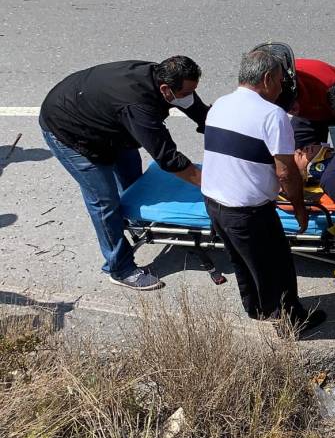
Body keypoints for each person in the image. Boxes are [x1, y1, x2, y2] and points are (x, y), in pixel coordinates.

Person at [39, 56, 208, 291]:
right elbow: (168, 158)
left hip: (106, 119)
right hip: (70, 130)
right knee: (104, 202)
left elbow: (199, 111)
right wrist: (210, 186)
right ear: (165, 89)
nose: (190, 95)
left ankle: (139, 222)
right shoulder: (138, 106)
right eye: (186, 92)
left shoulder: (164, 77)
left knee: (133, 180)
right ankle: (120, 268)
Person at [201, 45, 326, 335]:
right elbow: (286, 171)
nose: (282, 86)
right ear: (268, 78)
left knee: (242, 261)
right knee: (276, 266)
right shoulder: (272, 115)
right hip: (248, 211)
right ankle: (292, 322)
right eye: (281, 80)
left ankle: (257, 308)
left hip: (215, 203)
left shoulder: (220, 103)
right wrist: (299, 208)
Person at [292, 58, 335, 147]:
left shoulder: (327, 85)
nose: (289, 111)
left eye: (292, 107)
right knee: (297, 148)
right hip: (309, 108)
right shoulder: (269, 90)